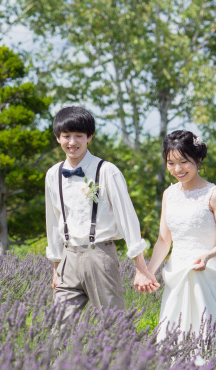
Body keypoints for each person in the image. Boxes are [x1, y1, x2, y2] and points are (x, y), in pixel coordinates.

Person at [45, 106, 159, 325]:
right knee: (58, 329)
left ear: (90, 137)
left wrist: (141, 268)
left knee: (114, 327)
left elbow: (127, 218)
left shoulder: (107, 171)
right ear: (58, 138)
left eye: (79, 136)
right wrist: (56, 267)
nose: (72, 142)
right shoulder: (53, 174)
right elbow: (54, 221)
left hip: (100, 255)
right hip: (68, 258)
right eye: (66, 136)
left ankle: (133, 360)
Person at [146, 130, 216, 342]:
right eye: (171, 163)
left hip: (203, 271)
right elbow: (164, 240)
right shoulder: (169, 194)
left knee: (203, 333)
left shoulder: (214, 194)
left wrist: (207, 256)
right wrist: (148, 272)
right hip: (176, 271)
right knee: (172, 331)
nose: (177, 169)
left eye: (183, 162)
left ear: (198, 158)